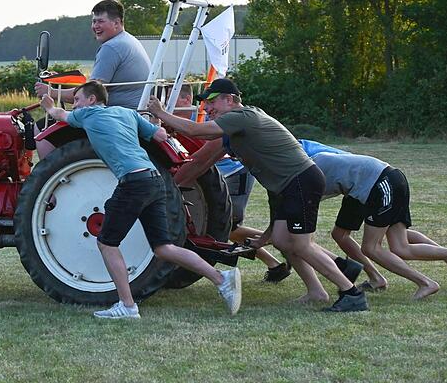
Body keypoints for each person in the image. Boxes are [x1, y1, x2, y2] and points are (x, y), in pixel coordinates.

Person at [148, 78, 368, 312]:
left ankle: (351, 293)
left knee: (302, 245)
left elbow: (196, 130)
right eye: (204, 104)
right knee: (283, 241)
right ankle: (318, 290)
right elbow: (202, 158)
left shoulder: (241, 116)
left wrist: (160, 113)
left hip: (300, 181)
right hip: (285, 186)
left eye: (211, 102)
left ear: (229, 100)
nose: (206, 108)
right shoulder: (237, 123)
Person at [41, 80, 242, 319]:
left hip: (133, 182)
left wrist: (48, 104)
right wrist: (156, 119)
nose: (76, 105)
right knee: (163, 248)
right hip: (155, 179)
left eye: (78, 99)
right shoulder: (126, 113)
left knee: (106, 242)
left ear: (92, 100)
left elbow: (59, 114)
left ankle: (127, 306)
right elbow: (160, 134)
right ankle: (221, 279)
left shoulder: (87, 114)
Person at [312, 151, 447, 298]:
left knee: (378, 247)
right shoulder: (303, 155)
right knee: (340, 234)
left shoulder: (304, 163)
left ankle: (432, 279)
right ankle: (377, 279)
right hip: (360, 187)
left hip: (381, 184)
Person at [35, 0, 151, 158]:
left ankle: (46, 177)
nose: (95, 26)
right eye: (93, 21)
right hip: (131, 110)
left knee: (42, 129)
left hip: (112, 113)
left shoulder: (111, 47)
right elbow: (95, 87)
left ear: (116, 23)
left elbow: (90, 95)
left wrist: (51, 92)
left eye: (101, 21)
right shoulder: (128, 41)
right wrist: (60, 82)